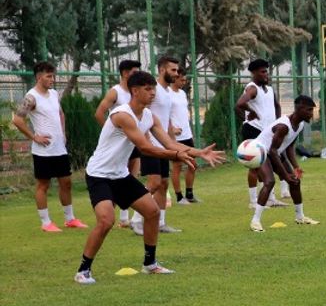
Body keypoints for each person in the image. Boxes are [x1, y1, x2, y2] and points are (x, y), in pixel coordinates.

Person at [74, 71, 225, 284]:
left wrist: (198, 152)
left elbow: (170, 143)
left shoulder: (149, 116)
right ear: (134, 91)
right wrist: (176, 155)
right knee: (107, 220)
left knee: (152, 212)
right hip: (99, 174)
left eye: (153, 88)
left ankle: (150, 264)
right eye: (147, 89)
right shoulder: (122, 115)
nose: (152, 93)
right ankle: (83, 270)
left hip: (120, 175)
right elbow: (145, 147)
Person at [11, 61, 88, 232]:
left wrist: (63, 133)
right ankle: (46, 223)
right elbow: (17, 119)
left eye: (53, 76)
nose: (52, 79)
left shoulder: (54, 94)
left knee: (66, 183)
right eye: (48, 76)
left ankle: (70, 219)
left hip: (59, 149)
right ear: (39, 77)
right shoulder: (30, 97)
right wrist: (34, 137)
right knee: (43, 185)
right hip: (43, 152)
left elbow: (60, 113)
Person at [248, 96, 319, 232]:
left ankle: (300, 216)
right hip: (260, 152)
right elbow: (272, 151)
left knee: (295, 181)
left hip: (274, 153)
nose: (311, 113)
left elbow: (289, 146)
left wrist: (296, 167)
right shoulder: (283, 126)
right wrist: (285, 175)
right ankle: (255, 221)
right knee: (269, 182)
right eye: (309, 110)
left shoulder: (300, 124)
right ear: (299, 109)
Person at [130, 56, 180, 235]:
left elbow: (165, 122)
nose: (176, 73)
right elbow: (143, 113)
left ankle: (161, 223)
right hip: (151, 146)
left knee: (163, 184)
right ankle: (136, 220)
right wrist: (145, 138)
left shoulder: (167, 93)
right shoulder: (154, 90)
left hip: (163, 147)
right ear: (161, 70)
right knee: (153, 183)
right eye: (172, 70)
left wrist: (173, 144)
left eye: (177, 70)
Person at [235, 58, 289, 208]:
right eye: (262, 71)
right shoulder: (252, 88)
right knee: (254, 164)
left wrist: (278, 123)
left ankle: (270, 199)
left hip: (266, 132)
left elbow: (277, 106)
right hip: (253, 130)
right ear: (253, 73)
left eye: (267, 71)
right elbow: (239, 104)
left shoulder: (269, 89)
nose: (266, 74)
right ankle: (253, 201)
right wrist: (249, 114)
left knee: (268, 165)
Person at [94, 59, 142, 227]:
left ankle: (124, 217)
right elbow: (99, 113)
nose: (137, 75)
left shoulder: (136, 92)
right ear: (125, 73)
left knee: (130, 176)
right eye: (134, 72)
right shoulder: (115, 92)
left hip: (134, 140)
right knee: (115, 176)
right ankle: (110, 215)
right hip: (120, 142)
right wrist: (112, 133)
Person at [169, 68, 198, 204]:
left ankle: (190, 194)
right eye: (182, 79)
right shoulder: (167, 94)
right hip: (175, 138)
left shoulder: (182, 93)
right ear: (174, 78)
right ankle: (179, 197)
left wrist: (189, 132)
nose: (184, 82)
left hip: (186, 134)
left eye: (185, 80)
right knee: (177, 166)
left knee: (193, 164)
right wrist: (172, 129)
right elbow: (164, 114)